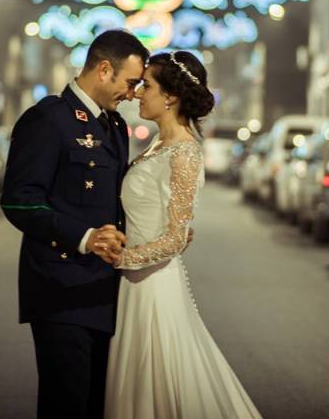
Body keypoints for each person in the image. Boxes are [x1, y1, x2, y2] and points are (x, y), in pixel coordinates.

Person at [103, 51, 262, 418]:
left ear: (171, 96)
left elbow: (176, 238)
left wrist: (119, 258)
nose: (138, 93)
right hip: (134, 283)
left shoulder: (185, 153)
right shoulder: (158, 144)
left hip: (152, 285)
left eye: (147, 86)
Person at [0, 29, 148, 419]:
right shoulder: (48, 119)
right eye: (130, 83)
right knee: (66, 403)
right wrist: (83, 237)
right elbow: (18, 200)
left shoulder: (114, 126)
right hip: (60, 286)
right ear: (104, 70)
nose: (132, 94)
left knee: (97, 403)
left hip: (104, 288)